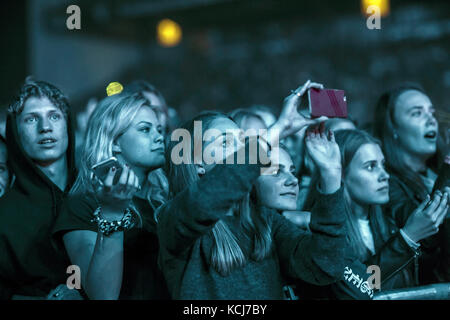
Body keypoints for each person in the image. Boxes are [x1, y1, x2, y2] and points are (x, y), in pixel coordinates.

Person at [157, 80, 356, 299]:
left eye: (242, 142)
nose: (241, 149)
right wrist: (278, 130)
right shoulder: (172, 219)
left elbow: (325, 266)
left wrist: (330, 175)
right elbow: (210, 196)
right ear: (197, 163)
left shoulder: (264, 221)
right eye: (225, 143)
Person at [53, 92, 170, 300]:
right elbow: (102, 295)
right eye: (145, 129)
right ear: (115, 141)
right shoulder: (83, 203)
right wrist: (113, 213)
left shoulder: (162, 200)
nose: (159, 136)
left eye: (159, 129)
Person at [0, 78, 77, 299]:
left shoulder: (97, 197)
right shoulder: (4, 216)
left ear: (67, 124)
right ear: (15, 131)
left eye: (54, 116)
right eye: (32, 119)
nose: (45, 128)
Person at [373, 83, 450, 284]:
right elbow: (428, 237)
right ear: (394, 129)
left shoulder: (436, 173)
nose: (430, 119)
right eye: (417, 113)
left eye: (431, 112)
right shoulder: (385, 181)